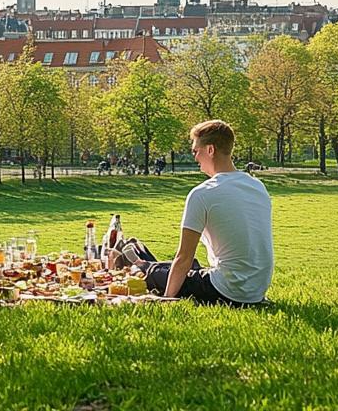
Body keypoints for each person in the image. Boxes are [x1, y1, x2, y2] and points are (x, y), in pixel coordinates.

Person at [116, 119, 273, 306]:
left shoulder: (203, 193)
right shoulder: (257, 186)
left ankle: (138, 263)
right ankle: (143, 260)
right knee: (177, 268)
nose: (195, 157)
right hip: (256, 288)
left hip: (228, 291)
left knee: (149, 274)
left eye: (195, 151)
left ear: (210, 150)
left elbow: (183, 257)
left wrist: (167, 299)